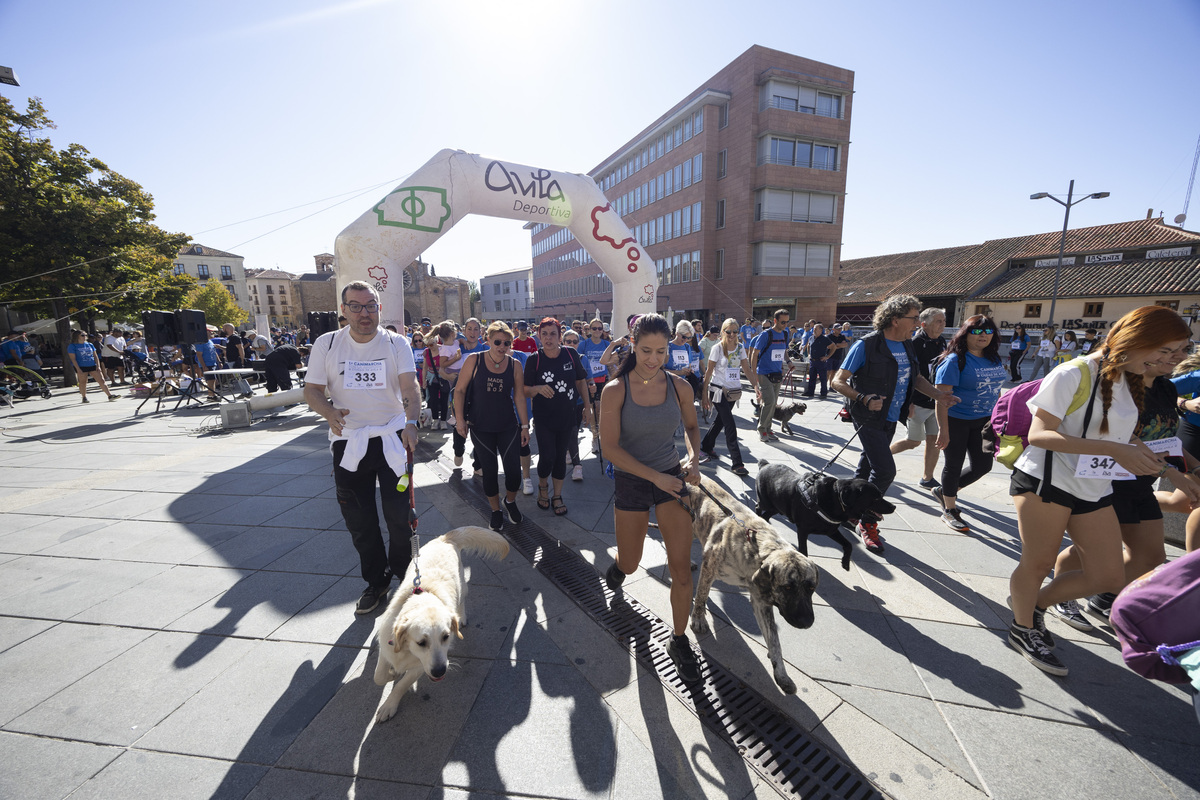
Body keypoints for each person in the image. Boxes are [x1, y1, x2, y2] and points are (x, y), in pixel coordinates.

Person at [1006, 305, 1193, 676]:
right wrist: (1113, 449)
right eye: (1167, 351)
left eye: (1179, 352)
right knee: (1039, 562)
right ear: (1138, 340)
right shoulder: (1073, 372)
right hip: (1046, 482)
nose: (1173, 360)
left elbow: (1128, 436)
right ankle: (1023, 627)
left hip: (1094, 486)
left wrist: (1172, 470)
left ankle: (1032, 606)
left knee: (1107, 576)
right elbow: (1039, 435)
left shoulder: (1131, 378)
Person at [1055, 340, 1200, 625]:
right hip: (1109, 480)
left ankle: (1103, 598)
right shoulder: (1116, 385)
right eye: (1173, 350)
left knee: (1150, 556)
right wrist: (1172, 474)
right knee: (1090, 550)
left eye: (1185, 349)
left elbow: (1166, 438)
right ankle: (1059, 594)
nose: (1183, 356)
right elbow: (1116, 438)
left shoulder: (1166, 387)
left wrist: (1194, 465)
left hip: (1143, 481)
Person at [303, 280, 422, 616]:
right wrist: (328, 412)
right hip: (349, 443)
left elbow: (409, 385)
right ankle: (377, 580)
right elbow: (311, 390)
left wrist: (411, 421)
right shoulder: (327, 344)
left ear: (379, 309)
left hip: (392, 440)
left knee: (400, 517)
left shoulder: (395, 342)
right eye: (355, 306)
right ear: (344, 310)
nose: (364, 312)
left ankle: (402, 577)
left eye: (370, 305)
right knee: (360, 521)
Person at [599, 313, 704, 683]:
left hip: (671, 480)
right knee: (631, 563)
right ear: (632, 343)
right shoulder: (615, 390)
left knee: (681, 567)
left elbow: (692, 427)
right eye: (646, 350)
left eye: (661, 351)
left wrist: (693, 457)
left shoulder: (680, 387)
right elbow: (609, 447)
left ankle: (678, 639)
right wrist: (654, 476)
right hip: (632, 481)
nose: (653, 359)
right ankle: (618, 568)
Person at [831, 295, 957, 553]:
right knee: (885, 470)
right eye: (913, 318)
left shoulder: (907, 344)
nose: (917, 322)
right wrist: (863, 397)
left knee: (868, 462)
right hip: (868, 416)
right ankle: (867, 520)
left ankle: (845, 509)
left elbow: (917, 377)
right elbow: (838, 382)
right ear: (895, 319)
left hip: (892, 415)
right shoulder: (867, 345)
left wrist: (938, 395)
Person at [932, 315, 1009, 532]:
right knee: (953, 465)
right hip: (957, 420)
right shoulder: (954, 361)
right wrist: (943, 430)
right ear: (965, 333)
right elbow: (942, 398)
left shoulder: (993, 358)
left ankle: (945, 491)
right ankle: (950, 509)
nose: (983, 335)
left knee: (983, 466)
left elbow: (996, 390)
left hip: (984, 421)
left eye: (988, 331)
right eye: (976, 331)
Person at [453, 322, 529, 531]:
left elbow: (520, 396)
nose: (501, 346)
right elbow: (459, 391)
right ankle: (495, 510)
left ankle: (510, 502)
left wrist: (524, 426)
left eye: (506, 343)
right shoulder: (474, 360)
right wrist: (460, 420)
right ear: (487, 340)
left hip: (507, 425)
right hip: (480, 425)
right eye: (497, 342)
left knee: (514, 472)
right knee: (490, 471)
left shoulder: (515, 365)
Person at [523, 318, 594, 515]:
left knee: (561, 458)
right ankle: (543, 487)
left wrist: (587, 407)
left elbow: (581, 382)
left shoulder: (570, 354)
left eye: (552, 334)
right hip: (544, 417)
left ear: (560, 336)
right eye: (544, 334)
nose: (548, 338)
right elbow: (525, 390)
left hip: (567, 415)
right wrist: (537, 388)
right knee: (548, 456)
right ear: (538, 336)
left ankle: (557, 496)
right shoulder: (533, 360)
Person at [889, 307, 947, 490]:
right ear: (924, 324)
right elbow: (906, 374)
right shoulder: (914, 342)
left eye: (944, 321)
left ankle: (927, 478)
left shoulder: (942, 342)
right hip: (917, 402)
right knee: (913, 441)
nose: (942, 325)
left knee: (934, 441)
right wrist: (909, 402)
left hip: (936, 402)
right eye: (938, 321)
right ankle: (878, 456)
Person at [700, 318, 759, 476]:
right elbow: (709, 372)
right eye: (728, 331)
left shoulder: (740, 348)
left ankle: (706, 445)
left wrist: (756, 386)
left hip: (733, 392)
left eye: (735, 331)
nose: (732, 334)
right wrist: (704, 395)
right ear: (723, 332)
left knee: (720, 422)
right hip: (718, 391)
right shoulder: (717, 348)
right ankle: (737, 463)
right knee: (730, 425)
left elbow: (746, 369)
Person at [446, 318, 488, 468]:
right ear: (464, 331)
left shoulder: (485, 349)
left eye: (476, 329)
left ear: (480, 331)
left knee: (479, 429)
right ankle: (458, 450)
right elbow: (442, 369)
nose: (472, 332)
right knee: (460, 425)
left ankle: (478, 465)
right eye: (469, 329)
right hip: (459, 393)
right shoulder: (457, 348)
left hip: (479, 395)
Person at [749, 309, 790, 442]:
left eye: (787, 322)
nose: (785, 325)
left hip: (777, 373)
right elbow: (754, 354)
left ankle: (768, 429)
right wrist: (754, 374)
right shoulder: (766, 335)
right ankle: (762, 429)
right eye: (783, 322)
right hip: (764, 373)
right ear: (776, 321)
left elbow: (784, 351)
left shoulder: (785, 334)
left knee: (773, 404)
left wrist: (788, 362)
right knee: (769, 401)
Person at [577, 318, 610, 453]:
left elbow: (611, 363)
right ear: (589, 330)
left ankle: (599, 436)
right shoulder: (584, 344)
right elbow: (579, 361)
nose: (597, 331)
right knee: (591, 409)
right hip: (589, 381)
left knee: (599, 409)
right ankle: (595, 437)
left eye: (600, 328)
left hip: (603, 380)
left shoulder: (606, 344)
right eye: (594, 328)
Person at [561, 329, 588, 480]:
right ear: (563, 342)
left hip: (577, 403)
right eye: (568, 342)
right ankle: (578, 466)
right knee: (570, 433)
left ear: (579, 344)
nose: (571, 344)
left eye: (574, 342)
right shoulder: (557, 357)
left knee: (573, 432)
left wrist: (587, 405)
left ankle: (570, 453)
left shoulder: (582, 358)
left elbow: (587, 379)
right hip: (561, 404)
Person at [67, 329, 116, 402]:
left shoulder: (90, 344)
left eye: (85, 335)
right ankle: (84, 397)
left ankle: (109, 395)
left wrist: (98, 366)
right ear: (77, 336)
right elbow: (73, 359)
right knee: (83, 382)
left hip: (92, 364)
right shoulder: (72, 346)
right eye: (82, 335)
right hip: (81, 366)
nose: (85, 337)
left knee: (101, 380)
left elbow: (95, 356)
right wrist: (78, 369)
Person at [802, 323, 834, 398]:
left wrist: (827, 356)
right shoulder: (811, 337)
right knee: (812, 377)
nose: (814, 330)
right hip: (813, 361)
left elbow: (833, 347)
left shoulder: (824, 339)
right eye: (814, 328)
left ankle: (823, 393)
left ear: (821, 330)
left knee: (823, 378)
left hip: (821, 361)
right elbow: (808, 346)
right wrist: (809, 354)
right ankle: (810, 392)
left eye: (816, 329)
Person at [193, 331, 223, 400]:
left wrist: (219, 361)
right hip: (207, 364)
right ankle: (211, 395)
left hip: (213, 363)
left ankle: (212, 394)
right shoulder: (200, 343)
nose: (212, 333)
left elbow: (214, 352)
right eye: (210, 332)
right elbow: (199, 355)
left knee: (214, 380)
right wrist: (204, 366)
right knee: (210, 380)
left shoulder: (210, 341)